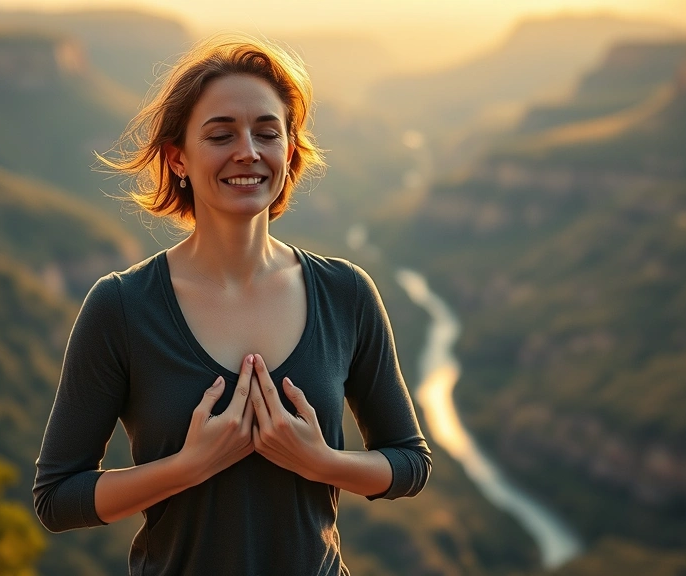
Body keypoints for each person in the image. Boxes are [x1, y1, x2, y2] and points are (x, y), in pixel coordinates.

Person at [33, 34, 432, 576]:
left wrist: (321, 462)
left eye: (267, 133)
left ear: (289, 151)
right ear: (178, 157)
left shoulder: (346, 293)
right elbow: (57, 497)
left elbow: (409, 462)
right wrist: (188, 467)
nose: (248, 151)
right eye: (221, 135)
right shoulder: (122, 306)